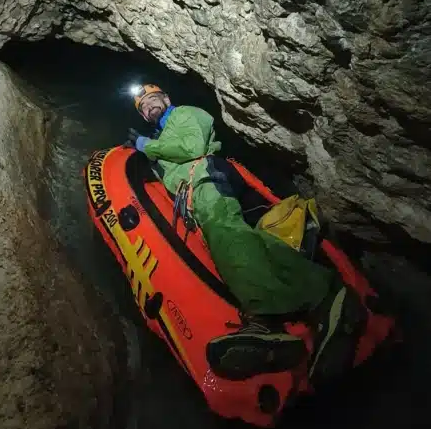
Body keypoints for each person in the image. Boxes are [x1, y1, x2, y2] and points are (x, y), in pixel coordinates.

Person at [126, 84, 363, 381]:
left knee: (228, 235)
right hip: (196, 188)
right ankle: (325, 295)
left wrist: (148, 146)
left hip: (206, 176)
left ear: (167, 98)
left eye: (152, 100)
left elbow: (193, 148)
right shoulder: (164, 134)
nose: (149, 107)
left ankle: (265, 320)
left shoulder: (184, 114)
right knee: (246, 240)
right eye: (143, 108)